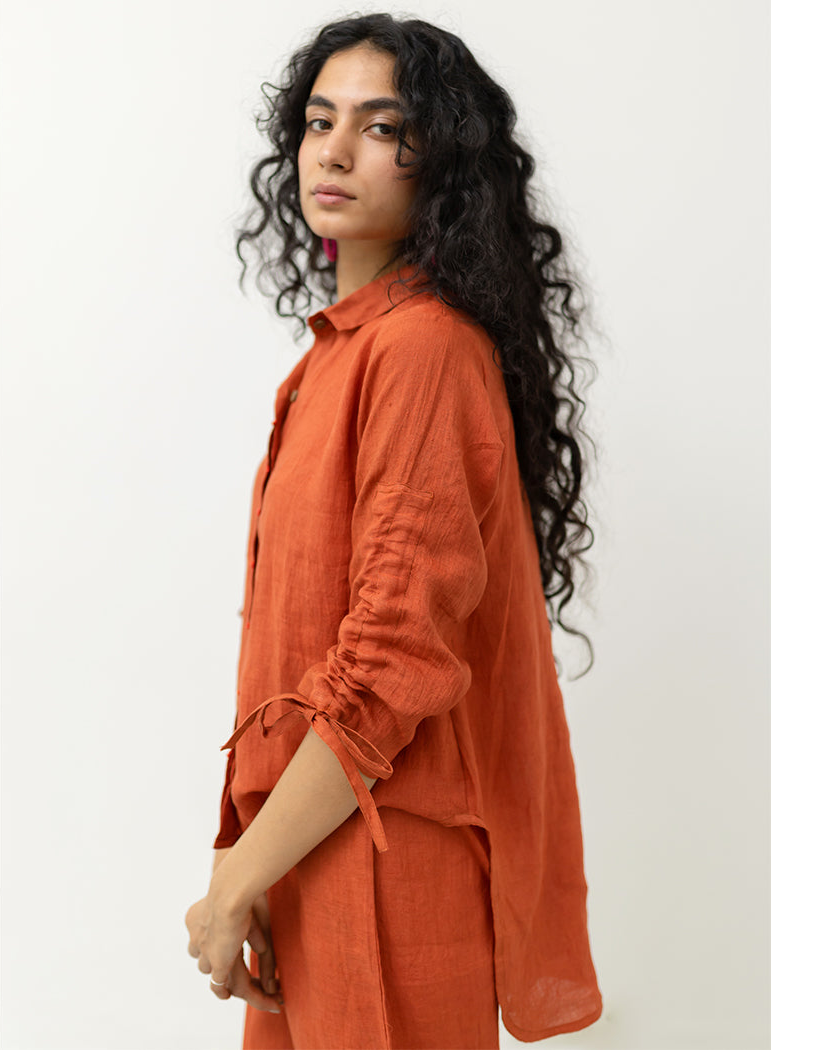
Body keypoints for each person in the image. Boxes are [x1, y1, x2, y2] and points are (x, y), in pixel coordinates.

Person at [185, 13, 603, 1049]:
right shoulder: (329, 360)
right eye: (319, 121)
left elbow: (392, 659)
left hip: (385, 864)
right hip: (312, 847)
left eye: (381, 128)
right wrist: (249, 859)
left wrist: (237, 876)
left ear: (443, 165)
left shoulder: (421, 349)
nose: (334, 150)